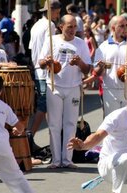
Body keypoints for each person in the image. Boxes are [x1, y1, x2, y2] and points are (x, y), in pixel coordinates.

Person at [38, 14, 91, 169]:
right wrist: (46, 61)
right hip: (54, 86)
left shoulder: (81, 44)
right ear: (61, 26)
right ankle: (55, 160)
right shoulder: (51, 40)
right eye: (69, 26)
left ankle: (67, 159)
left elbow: (87, 69)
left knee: (70, 124)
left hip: (73, 87)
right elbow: (40, 62)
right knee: (54, 124)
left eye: (75, 26)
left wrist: (80, 62)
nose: (73, 30)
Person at [93, 15, 127, 116]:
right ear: (113, 28)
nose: (126, 29)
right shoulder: (103, 46)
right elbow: (96, 72)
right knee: (112, 125)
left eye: (126, 25)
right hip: (111, 91)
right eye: (122, 26)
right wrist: (100, 67)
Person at [28, 0, 61, 141]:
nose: (58, 15)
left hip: (37, 67)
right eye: (58, 12)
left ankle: (54, 137)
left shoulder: (35, 25)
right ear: (51, 11)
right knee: (43, 105)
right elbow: (50, 48)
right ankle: (29, 137)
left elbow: (30, 48)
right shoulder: (50, 25)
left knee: (48, 106)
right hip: (44, 69)